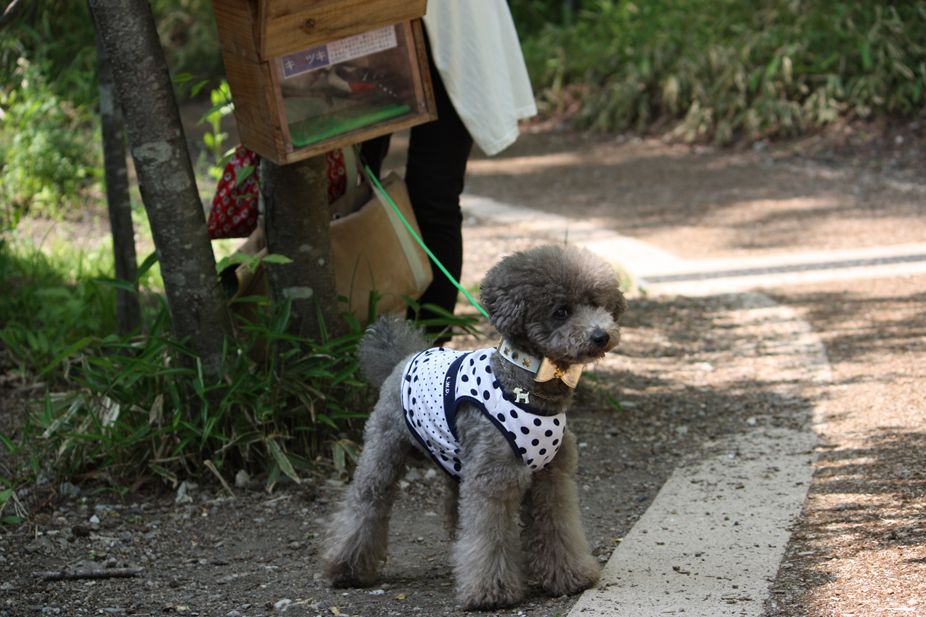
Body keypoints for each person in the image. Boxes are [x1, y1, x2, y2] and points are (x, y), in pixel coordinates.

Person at [361, 1, 537, 339]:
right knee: (353, 182)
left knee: (433, 194)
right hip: (360, 23)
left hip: (450, 19)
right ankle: (359, 339)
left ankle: (431, 349)